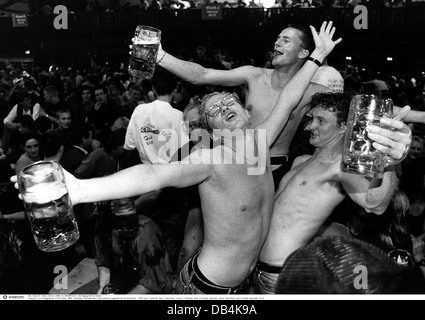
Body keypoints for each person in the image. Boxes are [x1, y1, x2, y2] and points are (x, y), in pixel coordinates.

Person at [16, 21, 342, 294]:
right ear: (209, 129)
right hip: (207, 287)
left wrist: (317, 56)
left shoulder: (263, 141)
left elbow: (289, 97)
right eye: (213, 110)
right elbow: (155, 175)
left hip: (245, 285)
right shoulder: (211, 160)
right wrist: (81, 191)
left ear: (246, 110)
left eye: (228, 102)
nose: (224, 107)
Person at [153, 22, 345, 190]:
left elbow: (345, 115)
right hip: (238, 163)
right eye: (277, 38)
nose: (276, 43)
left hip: (276, 170)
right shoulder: (253, 75)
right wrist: (160, 56)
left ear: (303, 53)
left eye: (285, 40)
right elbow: (202, 75)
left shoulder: (313, 91)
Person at [254, 92, 412, 293]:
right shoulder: (300, 160)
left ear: (344, 127)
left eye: (321, 121)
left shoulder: (340, 167)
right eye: (311, 118)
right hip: (261, 273)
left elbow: (375, 205)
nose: (309, 126)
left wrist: (388, 162)